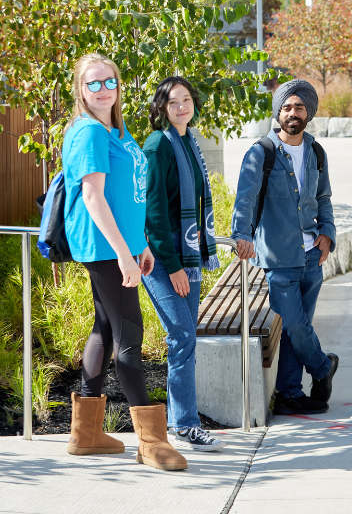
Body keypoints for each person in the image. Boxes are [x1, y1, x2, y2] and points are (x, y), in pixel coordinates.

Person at [62, 53, 187, 471]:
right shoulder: (90, 133)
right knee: (130, 335)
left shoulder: (114, 128)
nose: (102, 90)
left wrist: (141, 245)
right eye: (92, 84)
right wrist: (122, 254)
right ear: (80, 90)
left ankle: (87, 435)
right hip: (103, 248)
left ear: (118, 85)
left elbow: (127, 191)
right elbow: (94, 197)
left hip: (123, 246)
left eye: (109, 82)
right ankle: (151, 442)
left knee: (104, 329)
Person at [231, 79, 338, 415]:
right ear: (278, 112)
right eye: (287, 107)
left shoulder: (316, 152)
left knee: (297, 329)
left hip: (312, 256)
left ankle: (290, 393)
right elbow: (245, 200)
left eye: (299, 107)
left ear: (309, 113)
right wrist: (241, 234)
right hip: (278, 257)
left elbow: (323, 198)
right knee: (293, 323)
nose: (293, 113)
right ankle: (323, 367)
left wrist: (328, 232)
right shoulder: (261, 153)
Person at [142, 76, 225, 451]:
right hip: (163, 256)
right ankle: (188, 424)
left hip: (186, 255)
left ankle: (180, 421)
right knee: (182, 337)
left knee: (185, 339)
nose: (181, 107)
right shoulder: (159, 144)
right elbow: (154, 211)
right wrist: (173, 265)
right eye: (173, 102)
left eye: (187, 100)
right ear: (162, 107)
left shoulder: (189, 140)